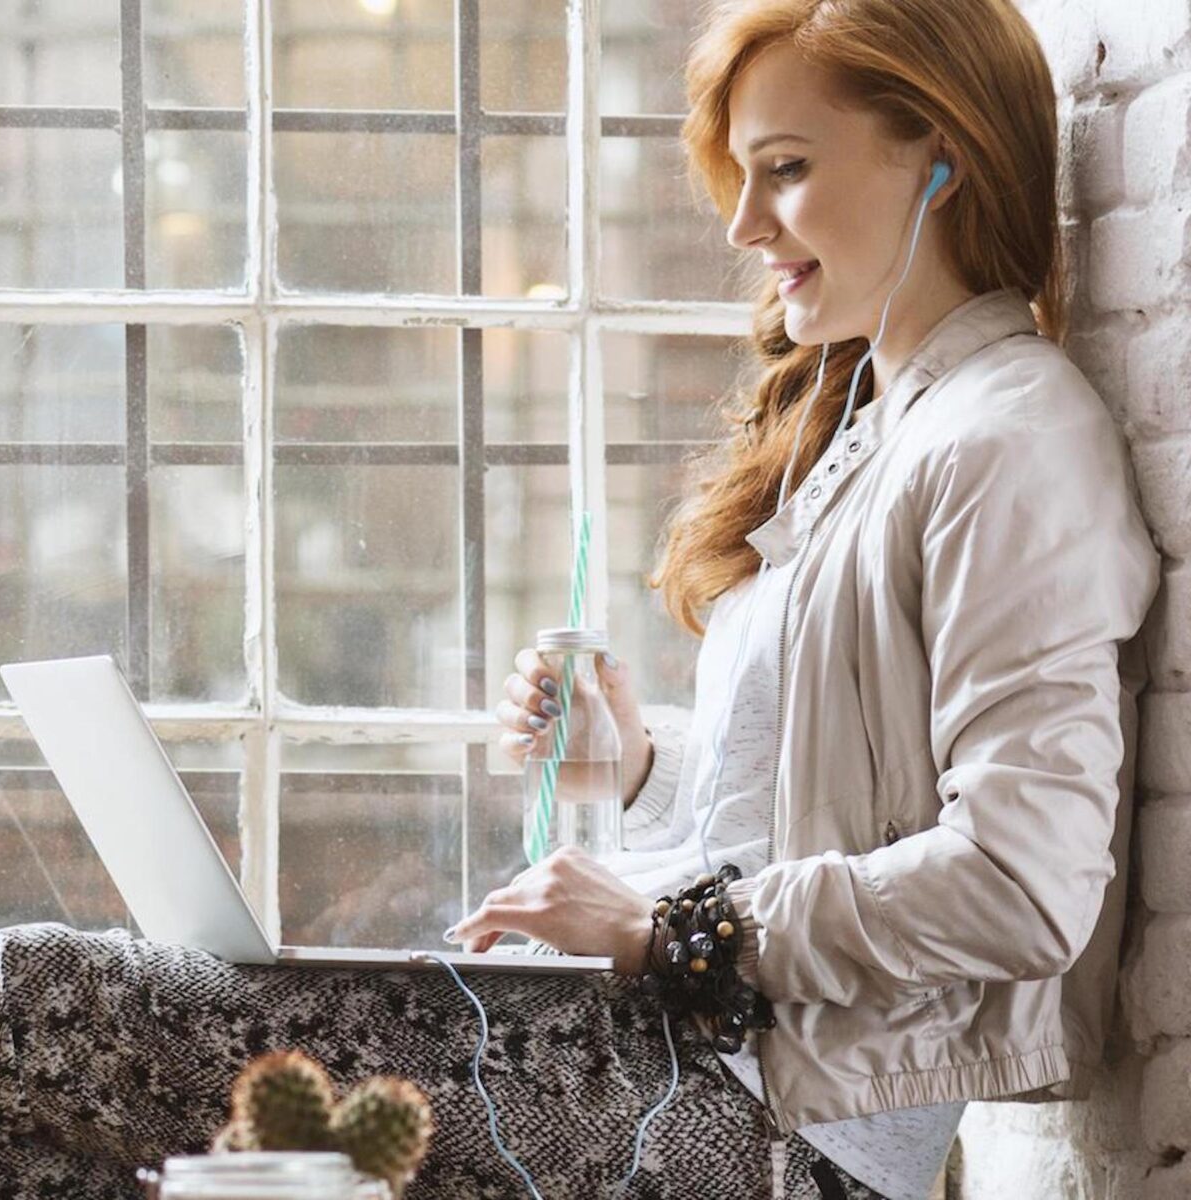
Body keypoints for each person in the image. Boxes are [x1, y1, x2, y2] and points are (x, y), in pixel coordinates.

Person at [446, 0, 1162, 1197]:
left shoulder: (1013, 439)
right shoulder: (887, 428)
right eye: (742, 174)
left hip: (778, 1117)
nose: (741, 221)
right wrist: (640, 766)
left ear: (941, 158)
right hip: (703, 1059)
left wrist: (667, 932)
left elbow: (1021, 881)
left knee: (49, 1001)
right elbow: (829, 800)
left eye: (784, 170)